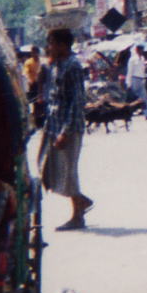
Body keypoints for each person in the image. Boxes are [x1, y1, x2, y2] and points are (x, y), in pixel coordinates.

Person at [40, 26, 94, 230]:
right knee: (54, 172)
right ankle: (81, 200)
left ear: (63, 45)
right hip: (53, 125)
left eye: (52, 43)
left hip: (68, 128)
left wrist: (65, 131)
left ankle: (78, 216)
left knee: (68, 172)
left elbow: (77, 101)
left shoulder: (73, 66)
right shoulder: (55, 65)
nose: (49, 47)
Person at [124, 43, 147, 119]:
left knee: (144, 97)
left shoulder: (142, 58)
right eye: (139, 49)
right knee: (134, 98)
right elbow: (130, 71)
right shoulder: (132, 59)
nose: (141, 51)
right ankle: (128, 113)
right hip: (134, 79)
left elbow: (143, 70)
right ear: (136, 50)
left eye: (142, 50)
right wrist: (128, 83)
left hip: (141, 79)